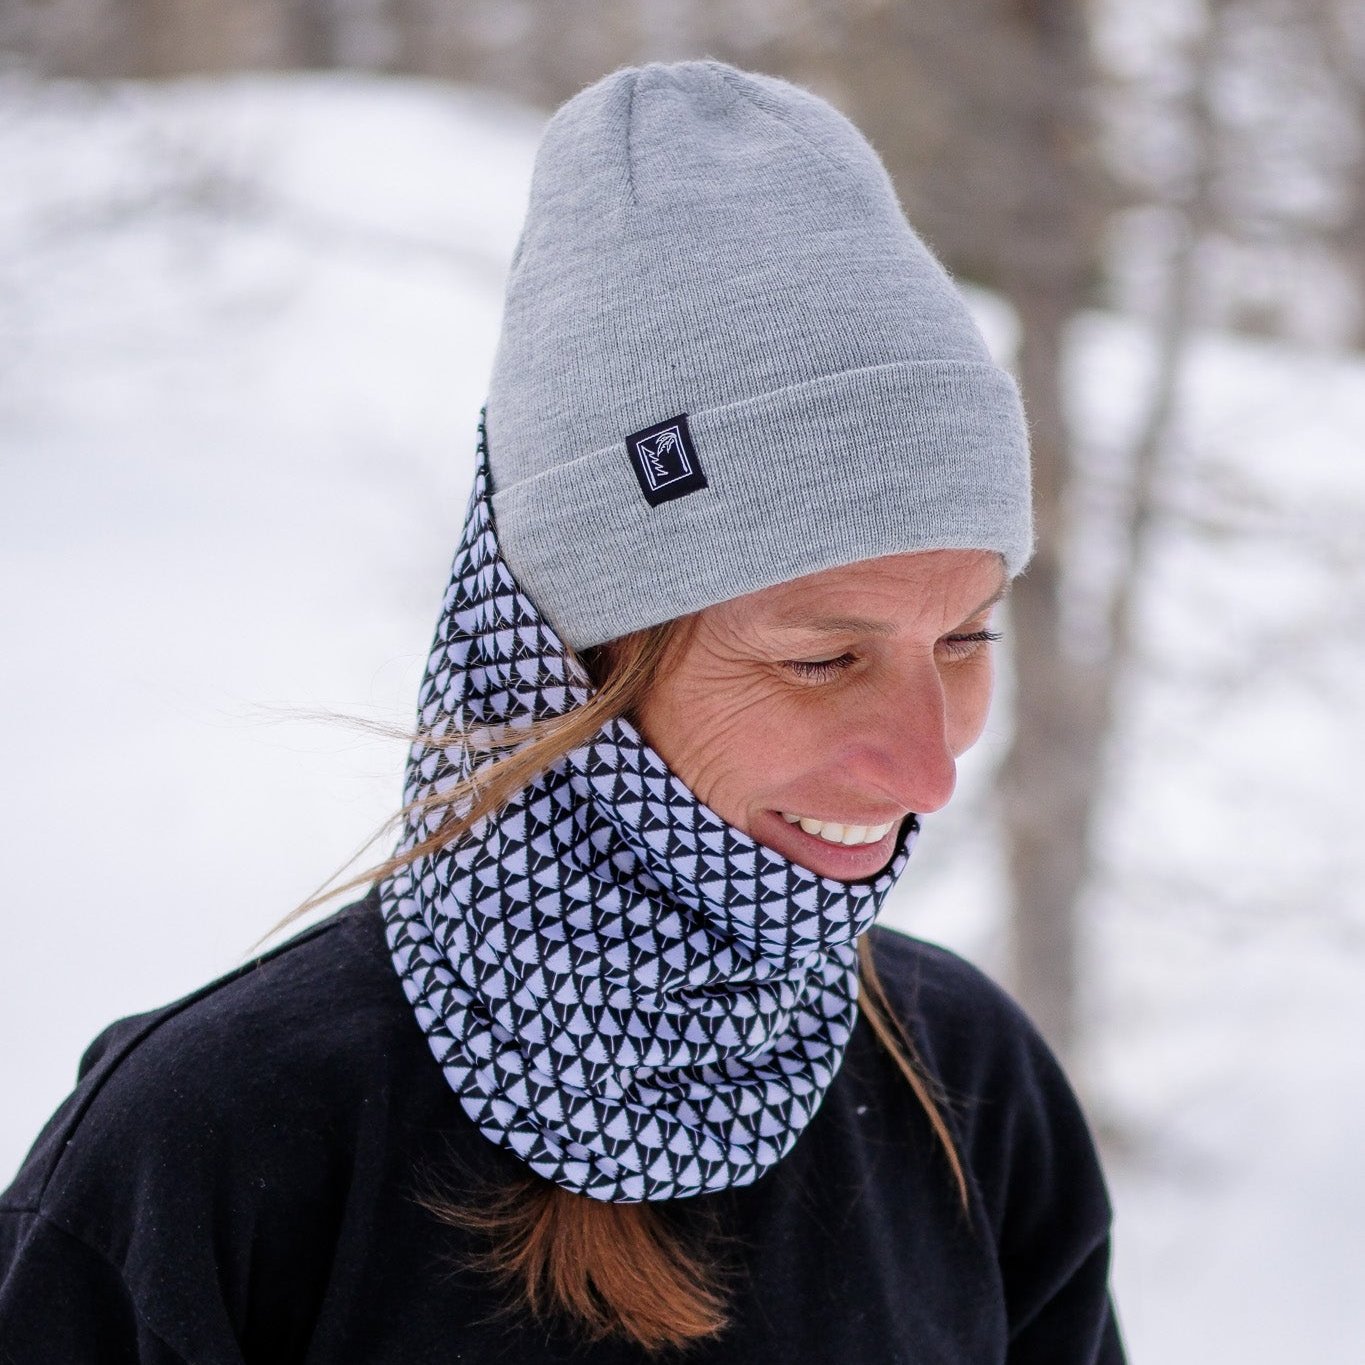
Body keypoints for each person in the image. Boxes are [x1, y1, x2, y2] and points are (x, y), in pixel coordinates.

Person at [0, 59, 1127, 1362]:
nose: (930, 771)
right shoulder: (211, 1152)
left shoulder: (967, 1088)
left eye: (966, 639)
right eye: (823, 659)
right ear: (570, 658)